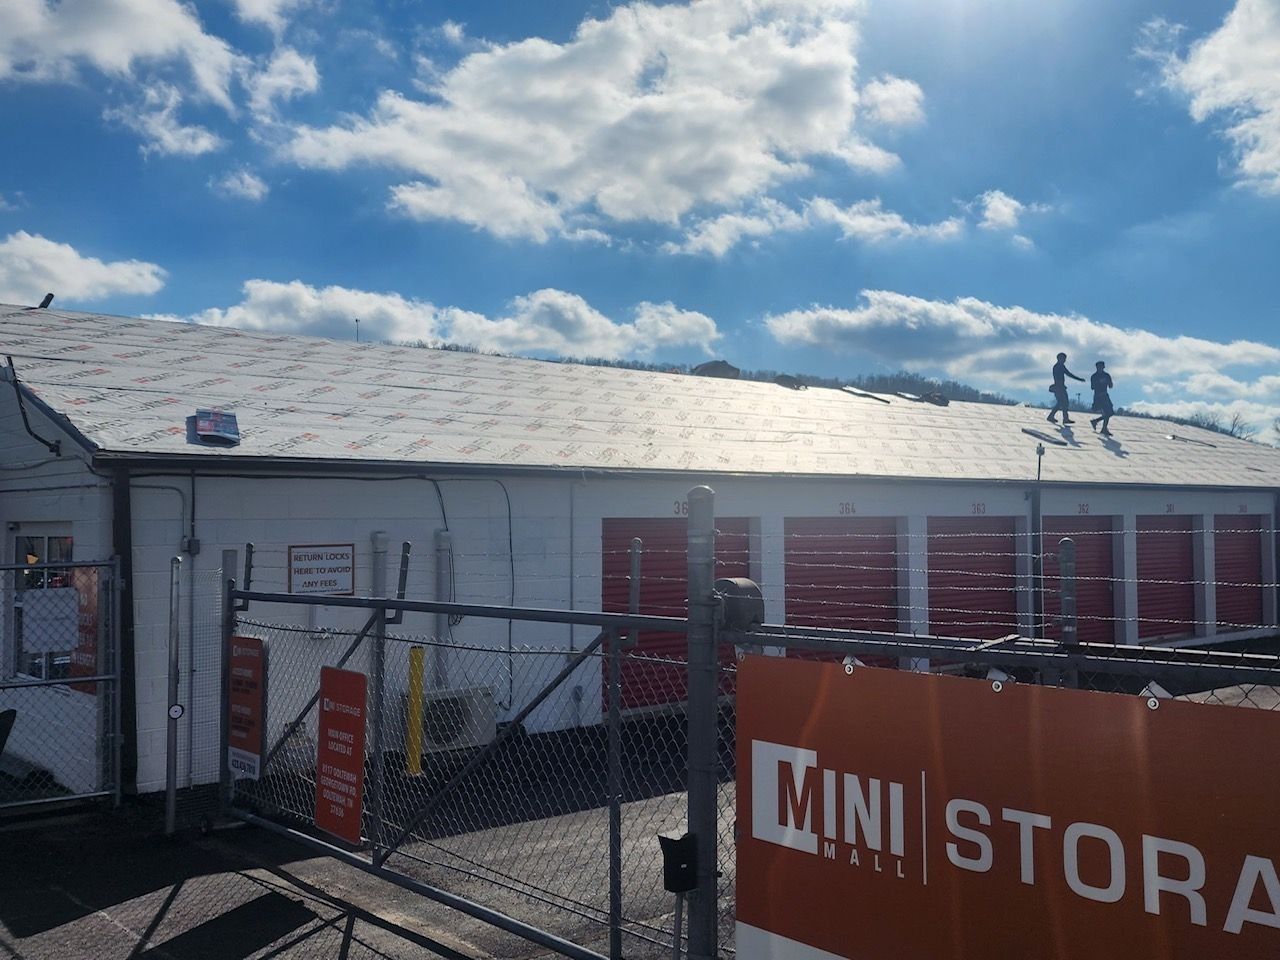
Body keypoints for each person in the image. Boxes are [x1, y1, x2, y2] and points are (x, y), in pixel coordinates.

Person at [1047, 352, 1085, 424]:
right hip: (1059, 388)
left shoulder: (1061, 366)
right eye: (1064, 358)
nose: (1065, 360)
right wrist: (1079, 379)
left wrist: (1079, 379)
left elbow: (1068, 374)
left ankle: (1056, 417)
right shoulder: (1058, 366)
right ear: (1059, 358)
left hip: (1061, 387)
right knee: (1063, 402)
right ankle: (1061, 418)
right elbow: (1068, 374)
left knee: (1062, 403)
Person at [1089, 361, 1115, 436]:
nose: (1100, 368)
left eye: (1101, 367)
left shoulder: (1106, 375)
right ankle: (1103, 428)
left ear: (1103, 367)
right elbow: (1092, 387)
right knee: (1107, 412)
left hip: (1105, 395)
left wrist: (1108, 382)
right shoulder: (1094, 376)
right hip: (1098, 396)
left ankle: (1098, 423)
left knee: (1110, 412)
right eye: (1098, 367)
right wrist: (1100, 382)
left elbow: (1110, 386)